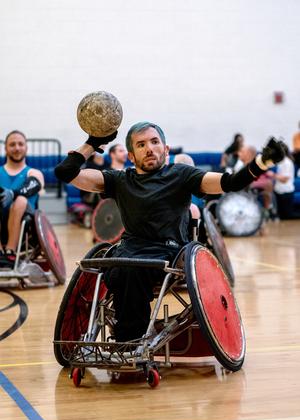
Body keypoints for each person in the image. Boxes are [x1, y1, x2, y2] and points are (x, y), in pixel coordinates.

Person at [55, 122, 285, 342]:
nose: (149, 149)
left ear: (165, 149)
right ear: (131, 156)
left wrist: (262, 162)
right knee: (117, 271)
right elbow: (65, 172)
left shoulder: (182, 175)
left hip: (167, 255)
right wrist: (94, 142)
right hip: (128, 252)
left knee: (130, 273)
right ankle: (127, 335)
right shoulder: (119, 180)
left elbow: (231, 182)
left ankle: (129, 341)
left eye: (155, 142)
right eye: (141, 144)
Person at [0, 130, 44, 268]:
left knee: (21, 200)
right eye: (12, 144)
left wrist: (12, 193)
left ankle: (10, 251)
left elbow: (35, 184)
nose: (17, 148)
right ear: (6, 149)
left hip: (26, 226)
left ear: (26, 147)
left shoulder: (33, 172)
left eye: (20, 144)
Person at [272, 145, 298, 219]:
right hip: (279, 192)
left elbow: (285, 180)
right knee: (281, 216)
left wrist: (273, 175)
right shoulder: (279, 161)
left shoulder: (287, 163)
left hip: (286, 192)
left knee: (287, 216)